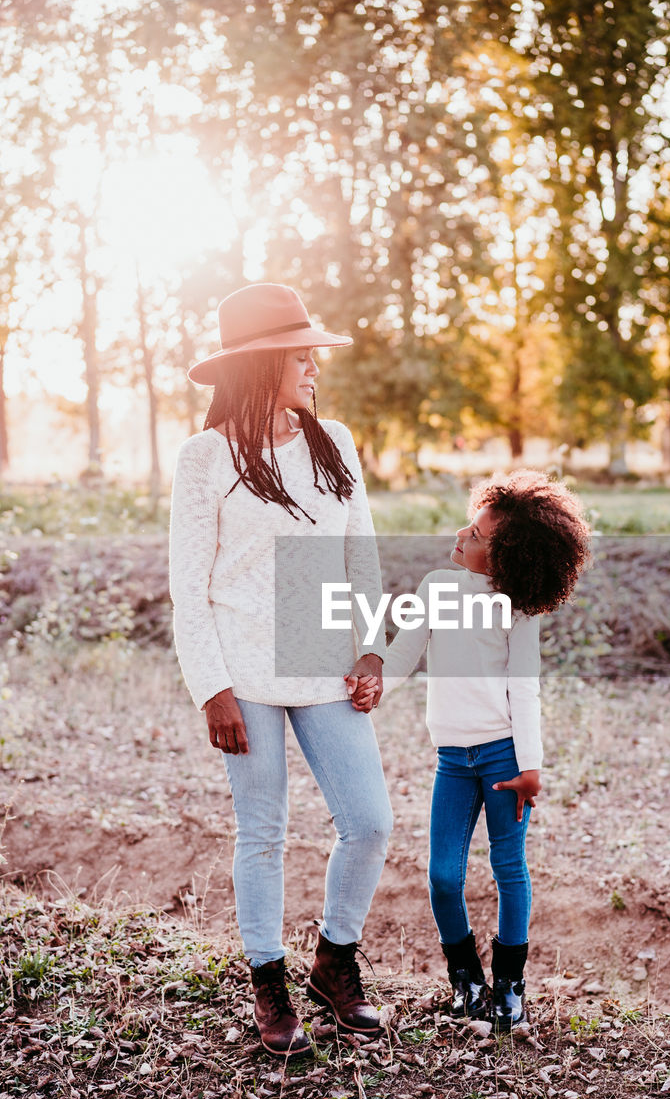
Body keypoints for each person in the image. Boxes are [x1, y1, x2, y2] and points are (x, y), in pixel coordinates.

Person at [169, 282, 393, 1058]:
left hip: (319, 647)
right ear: (262, 363)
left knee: (368, 823)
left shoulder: (332, 440)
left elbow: (358, 556)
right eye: (301, 355)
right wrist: (213, 690)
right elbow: (189, 586)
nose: (313, 366)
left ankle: (334, 964)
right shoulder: (206, 457)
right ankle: (269, 984)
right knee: (261, 833)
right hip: (240, 666)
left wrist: (372, 650)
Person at [352, 471, 590, 1029]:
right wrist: (375, 678)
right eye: (471, 524)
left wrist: (531, 768)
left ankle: (510, 985)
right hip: (453, 762)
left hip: (505, 758)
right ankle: (465, 979)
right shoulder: (436, 587)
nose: (462, 533)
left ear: (507, 559)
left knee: (509, 868)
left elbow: (525, 688)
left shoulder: (518, 609)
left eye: (477, 535)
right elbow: (405, 648)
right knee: (442, 875)